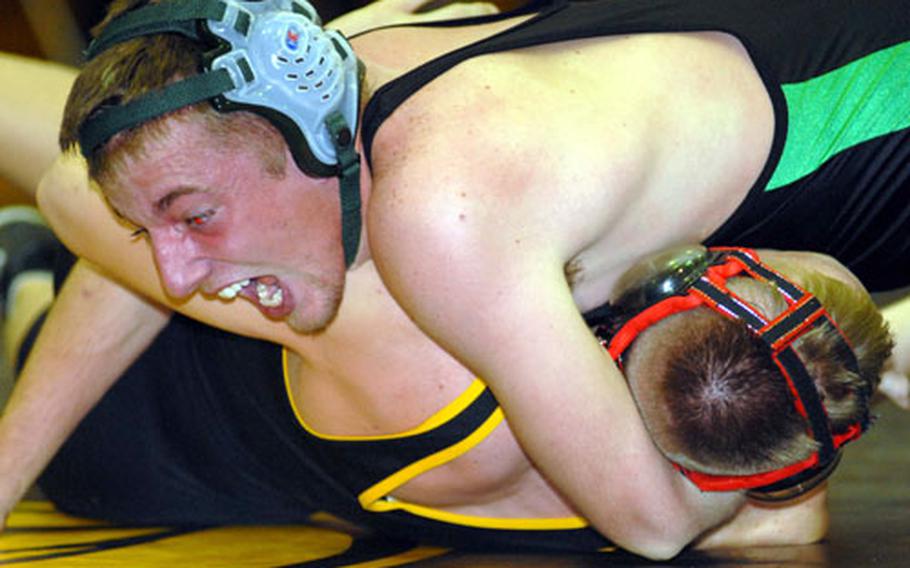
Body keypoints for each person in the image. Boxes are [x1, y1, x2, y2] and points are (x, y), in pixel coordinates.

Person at [2, 0, 906, 558]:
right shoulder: (356, 49)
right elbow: (93, 200)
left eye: (193, 218)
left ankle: (25, 278)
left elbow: (658, 526)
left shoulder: (442, 214)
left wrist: (846, 381)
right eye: (152, 225)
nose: (171, 266)